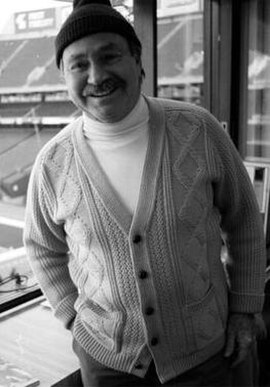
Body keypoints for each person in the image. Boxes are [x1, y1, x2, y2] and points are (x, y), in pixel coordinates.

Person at [23, 0, 267, 386]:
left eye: (110, 56)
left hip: (208, 355)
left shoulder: (198, 130)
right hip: (108, 366)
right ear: (63, 77)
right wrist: (74, 317)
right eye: (79, 65)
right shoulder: (52, 163)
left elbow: (244, 225)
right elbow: (41, 248)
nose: (97, 75)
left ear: (137, 60)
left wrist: (245, 309)